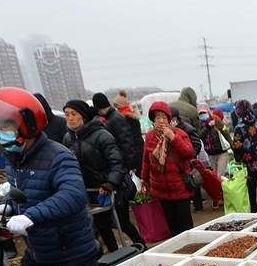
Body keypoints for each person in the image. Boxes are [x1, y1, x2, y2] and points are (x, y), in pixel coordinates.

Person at [0, 88, 100, 266]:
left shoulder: (58, 156)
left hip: (71, 245)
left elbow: (73, 196)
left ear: (28, 125)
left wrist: (29, 216)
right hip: (38, 247)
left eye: (5, 127)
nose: (1, 133)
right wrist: (6, 204)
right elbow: (22, 191)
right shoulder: (14, 157)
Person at [63, 99, 144, 251]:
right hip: (91, 191)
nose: (70, 118)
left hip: (115, 188)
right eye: (67, 115)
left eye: (74, 114)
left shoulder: (102, 135)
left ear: (84, 116)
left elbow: (117, 163)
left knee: (122, 222)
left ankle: (141, 246)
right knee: (103, 226)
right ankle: (115, 256)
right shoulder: (68, 139)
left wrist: (110, 183)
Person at [140, 101, 196, 236]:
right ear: (152, 119)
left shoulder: (179, 133)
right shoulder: (150, 136)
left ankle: (193, 247)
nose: (161, 121)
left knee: (185, 221)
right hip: (161, 188)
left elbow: (189, 153)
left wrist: (173, 137)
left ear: (170, 119)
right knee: (172, 224)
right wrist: (144, 178)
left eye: (164, 117)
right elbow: (146, 159)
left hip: (179, 186)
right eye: (157, 117)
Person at [232, 99, 257, 212]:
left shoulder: (239, 128)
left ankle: (254, 213)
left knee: (251, 190)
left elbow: (237, 146)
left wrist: (238, 160)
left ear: (238, 112)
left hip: (249, 165)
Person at [169, 106, 205, 213]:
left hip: (188, 161)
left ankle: (198, 205)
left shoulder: (187, 129)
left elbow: (197, 143)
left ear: (175, 118)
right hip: (177, 163)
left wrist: (191, 155)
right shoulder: (171, 130)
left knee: (193, 181)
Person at [92, 92, 139, 172]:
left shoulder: (115, 118)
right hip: (120, 158)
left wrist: (131, 164)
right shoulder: (111, 117)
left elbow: (126, 141)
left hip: (123, 160)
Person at [198, 103, 231, 185]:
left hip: (222, 153)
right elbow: (200, 135)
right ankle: (219, 194)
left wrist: (234, 149)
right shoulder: (200, 125)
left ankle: (224, 194)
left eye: (204, 113)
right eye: (200, 114)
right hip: (211, 154)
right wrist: (208, 126)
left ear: (208, 112)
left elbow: (226, 135)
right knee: (214, 176)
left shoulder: (217, 122)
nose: (202, 115)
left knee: (220, 176)